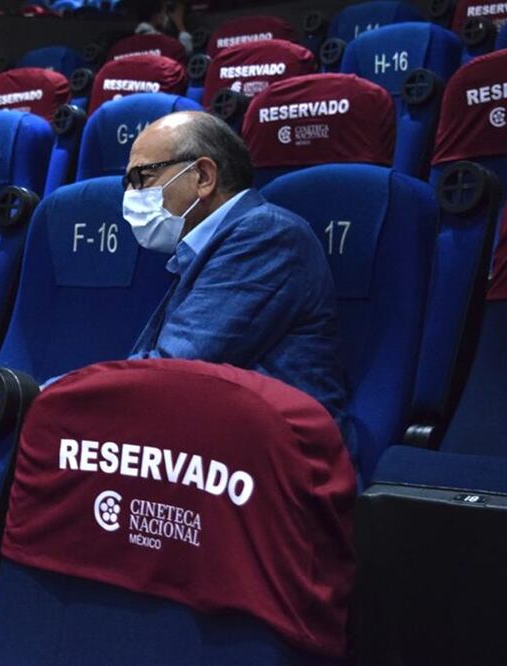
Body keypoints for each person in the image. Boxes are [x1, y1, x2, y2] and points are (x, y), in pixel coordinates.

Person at [122, 111, 353, 459]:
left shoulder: (266, 235)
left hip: (283, 458)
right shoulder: (203, 249)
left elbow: (176, 365)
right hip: (222, 447)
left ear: (203, 176)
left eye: (143, 176)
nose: (131, 194)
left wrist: (61, 393)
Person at [126, 0, 194, 55]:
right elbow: (185, 53)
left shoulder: (127, 43)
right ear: (155, 15)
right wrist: (180, 25)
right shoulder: (162, 42)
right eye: (165, 11)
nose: (166, 15)